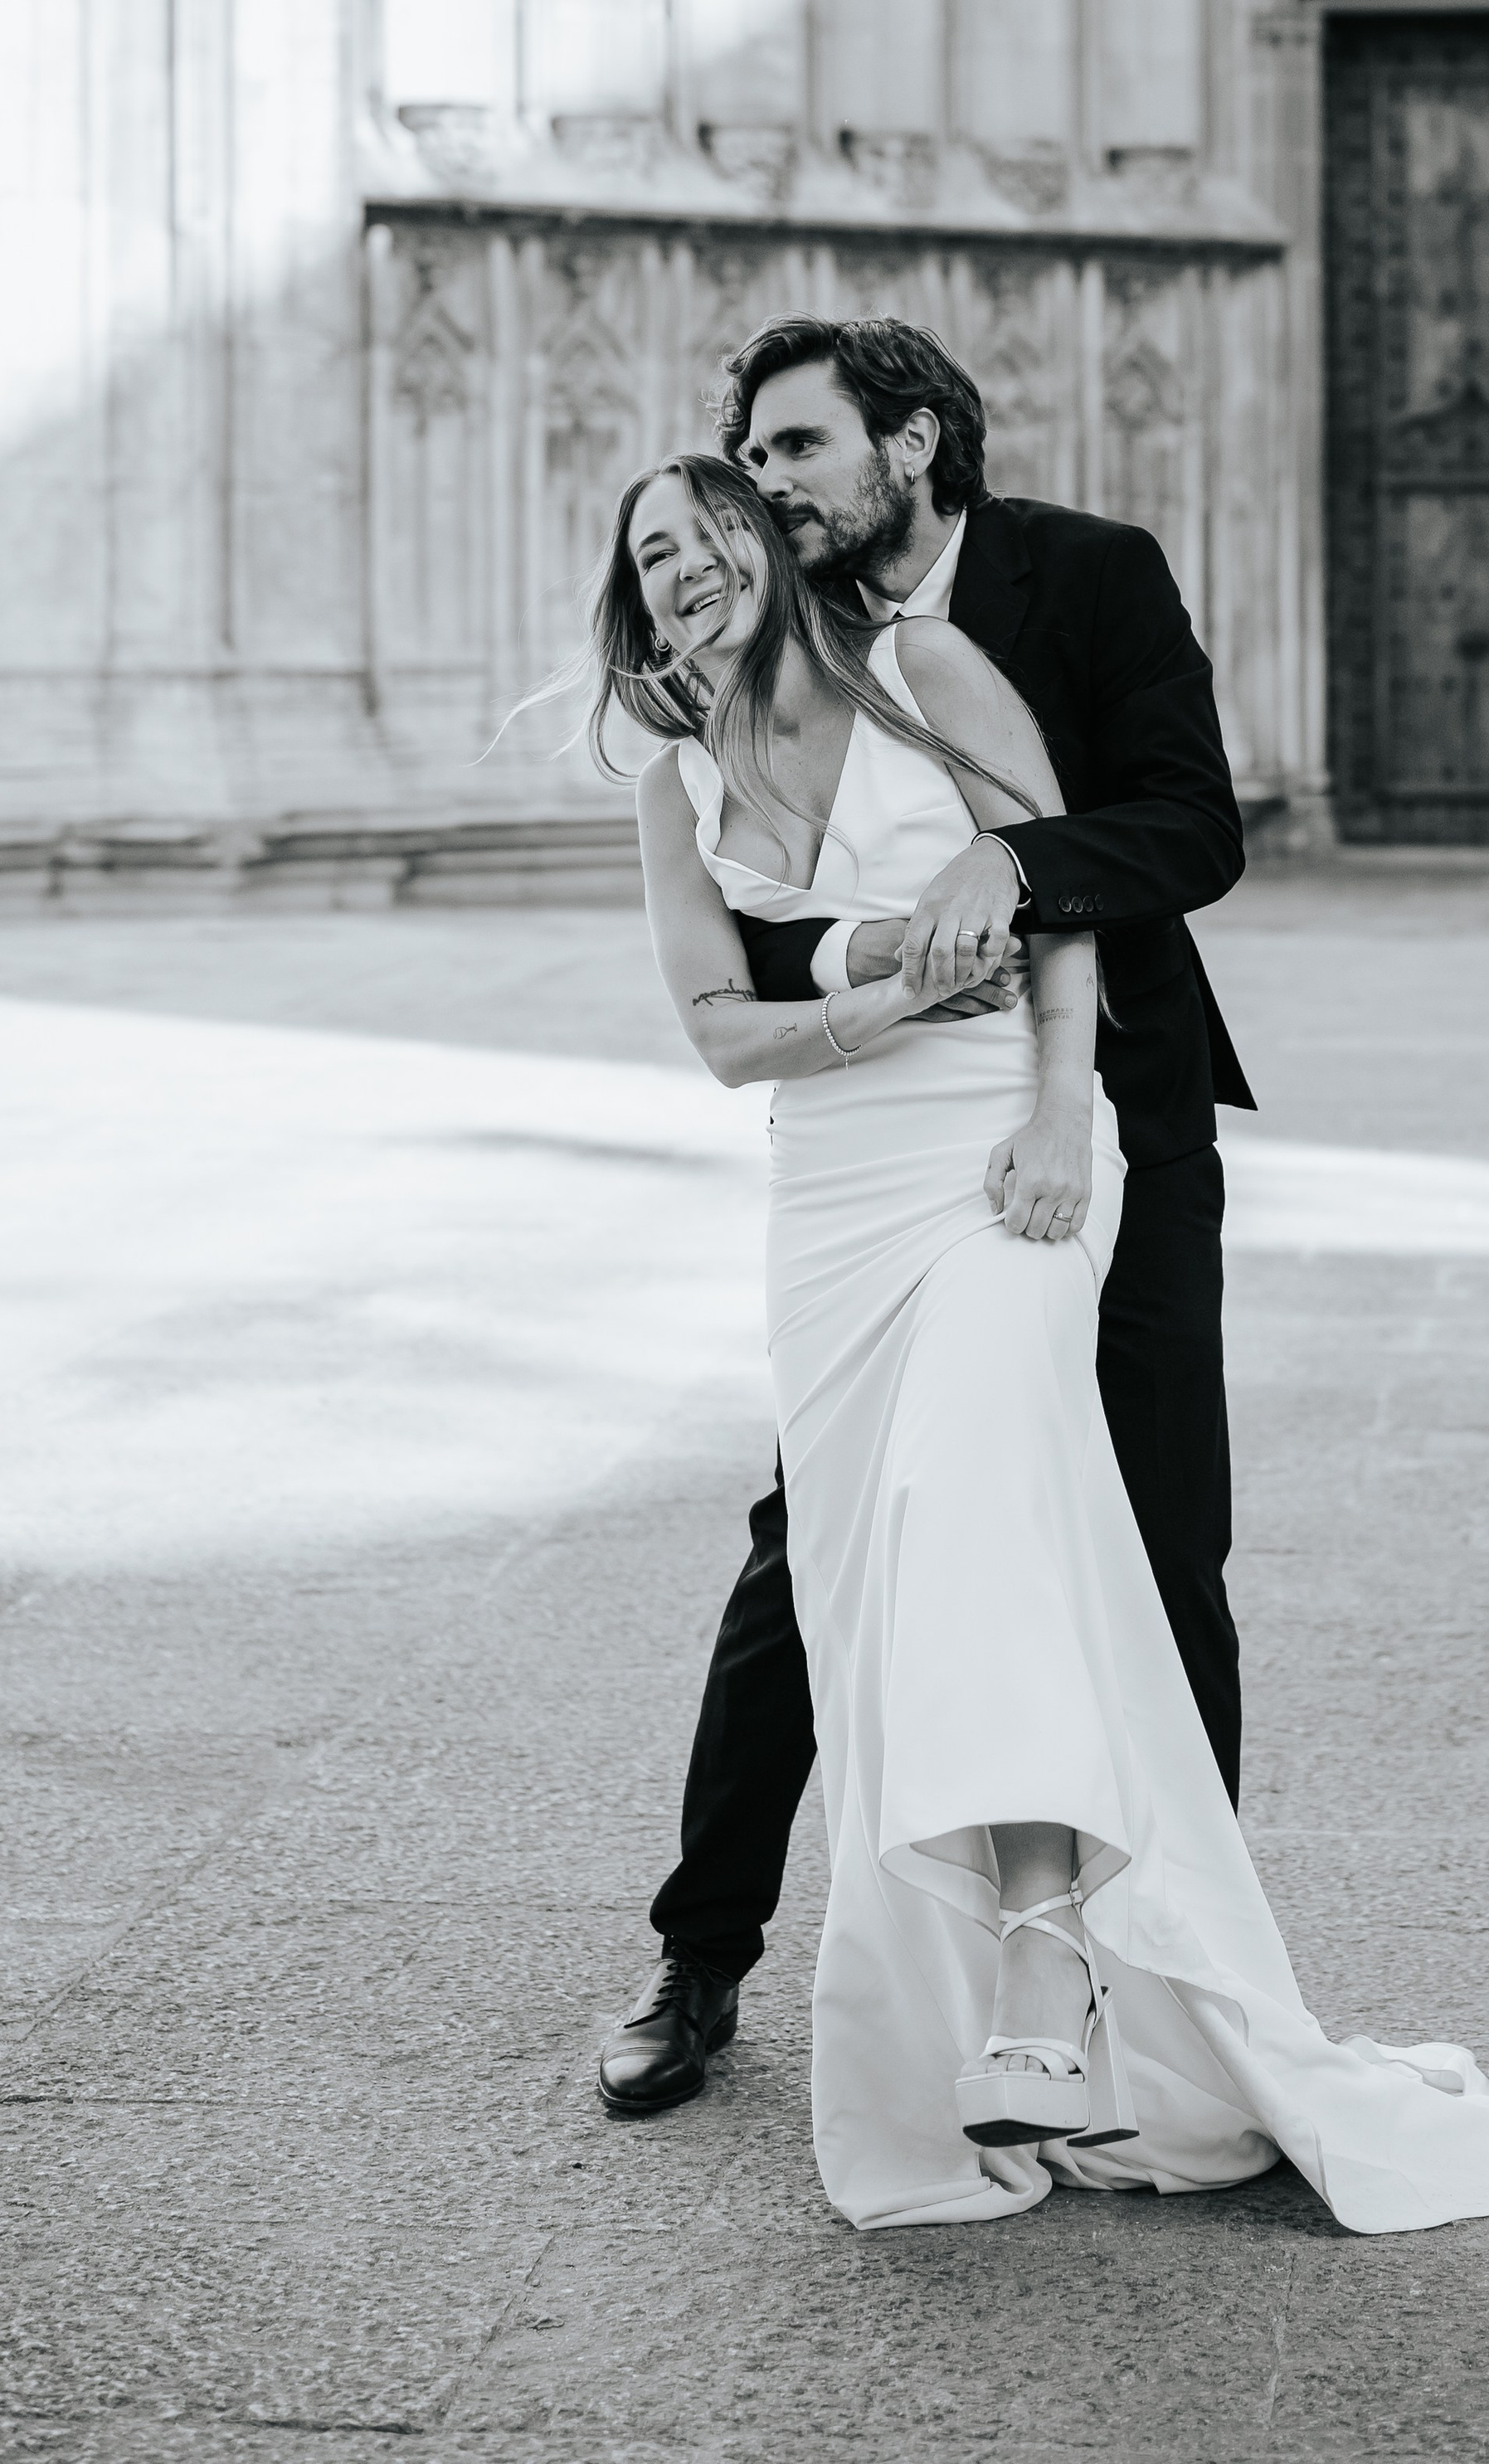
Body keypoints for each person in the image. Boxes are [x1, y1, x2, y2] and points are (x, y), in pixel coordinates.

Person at [588, 429, 1489, 2231]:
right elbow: (721, 1033)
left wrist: (1062, 1106)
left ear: (801, 522)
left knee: (978, 1500)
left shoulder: (929, 665)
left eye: (724, 518)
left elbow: (1065, 905)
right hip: (832, 1200)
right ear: (636, 604)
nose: (696, 563)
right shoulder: (675, 782)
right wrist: (877, 989)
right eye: (656, 554)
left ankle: (1047, 1956)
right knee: (858, 1583)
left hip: (1005, 1159)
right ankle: (869, 1988)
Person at [604, 318, 1251, 2119]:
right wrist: (878, 962)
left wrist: (1015, 862)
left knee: (1160, 1536)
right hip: (871, 1150)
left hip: (1111, 1109)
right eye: (749, 457)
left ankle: (1175, 1971)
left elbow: (1192, 828)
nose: (766, 483)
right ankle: (702, 1949)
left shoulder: (1081, 576)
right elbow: (744, 960)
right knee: (809, 1551)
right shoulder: (763, 659)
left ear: (909, 443)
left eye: (796, 448)